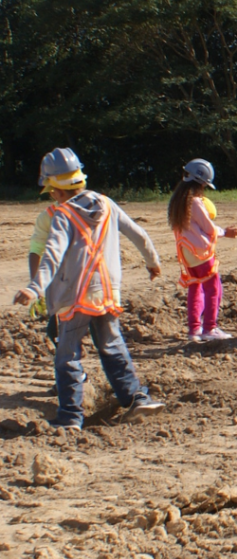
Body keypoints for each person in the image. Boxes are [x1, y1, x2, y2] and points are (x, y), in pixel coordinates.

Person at [13, 149, 164, 431]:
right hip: (107, 293)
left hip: (74, 298)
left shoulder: (62, 214)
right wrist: (152, 263)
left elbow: (52, 255)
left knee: (67, 356)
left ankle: (70, 417)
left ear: (55, 189)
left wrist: (35, 288)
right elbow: (138, 234)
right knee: (112, 346)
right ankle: (136, 398)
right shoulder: (107, 204)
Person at [167, 159, 237, 342]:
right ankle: (209, 328)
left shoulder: (177, 201)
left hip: (186, 254)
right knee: (213, 288)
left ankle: (194, 329)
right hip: (200, 253)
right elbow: (209, 228)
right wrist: (225, 232)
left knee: (195, 288)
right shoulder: (195, 202)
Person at [28, 149, 89, 348]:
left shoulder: (93, 209)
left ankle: (69, 368)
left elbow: (37, 251)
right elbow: (36, 251)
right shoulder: (97, 208)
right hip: (74, 286)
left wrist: (36, 286)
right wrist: (37, 286)